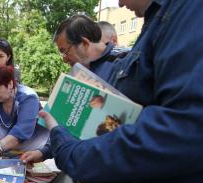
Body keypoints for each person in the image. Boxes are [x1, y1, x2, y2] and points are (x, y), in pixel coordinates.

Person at [39, 0, 203, 183]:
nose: (119, 2)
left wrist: (75, 153)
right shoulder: (162, 19)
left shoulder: (197, 10)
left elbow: (191, 125)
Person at [21, 14, 125, 164]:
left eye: (65, 51)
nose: (64, 58)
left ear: (84, 43)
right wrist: (43, 152)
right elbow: (67, 125)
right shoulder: (78, 72)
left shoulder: (122, 65)